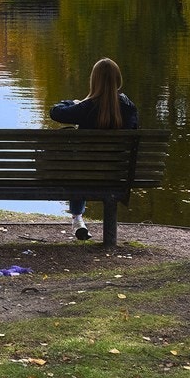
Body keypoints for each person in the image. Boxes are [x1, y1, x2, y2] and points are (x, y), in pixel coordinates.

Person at [49, 57, 139, 241]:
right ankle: (82, 222)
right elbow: (133, 130)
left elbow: (55, 112)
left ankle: (77, 218)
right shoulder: (129, 108)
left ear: (94, 80)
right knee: (81, 164)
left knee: (76, 163)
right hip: (116, 174)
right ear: (118, 79)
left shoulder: (87, 107)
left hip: (84, 173)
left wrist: (73, 102)